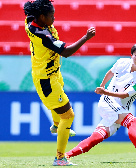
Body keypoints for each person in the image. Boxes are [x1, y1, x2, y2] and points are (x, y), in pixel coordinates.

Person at [23, 0, 95, 166]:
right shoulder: (42, 34)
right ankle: (60, 158)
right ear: (42, 17)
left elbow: (27, 14)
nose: (54, 18)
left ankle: (56, 126)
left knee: (62, 108)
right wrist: (86, 37)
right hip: (46, 80)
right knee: (68, 115)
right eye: (51, 15)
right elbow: (67, 52)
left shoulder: (31, 21)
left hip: (53, 74)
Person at [65, 43, 136, 164]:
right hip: (107, 102)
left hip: (119, 106)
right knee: (132, 121)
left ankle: (66, 155)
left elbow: (125, 95)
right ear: (131, 55)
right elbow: (110, 72)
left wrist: (104, 91)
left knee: (97, 137)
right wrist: (102, 86)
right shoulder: (122, 62)